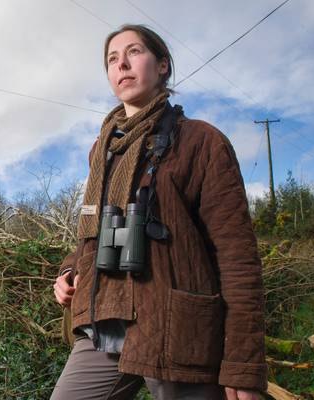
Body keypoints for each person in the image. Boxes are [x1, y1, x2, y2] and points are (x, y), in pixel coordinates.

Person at [51, 25, 266, 400]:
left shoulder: (201, 142)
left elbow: (238, 258)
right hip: (103, 319)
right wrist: (69, 270)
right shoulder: (101, 152)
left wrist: (242, 365)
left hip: (175, 329)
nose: (122, 64)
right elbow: (92, 234)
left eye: (134, 52)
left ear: (163, 65)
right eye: (112, 60)